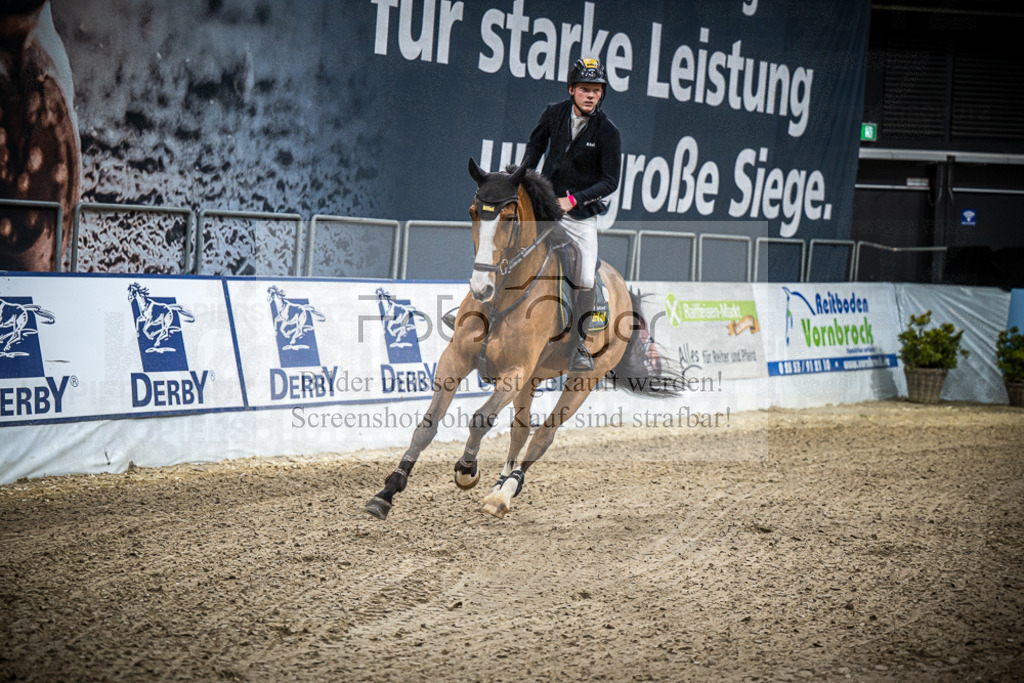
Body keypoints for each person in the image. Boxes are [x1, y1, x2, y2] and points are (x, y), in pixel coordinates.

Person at [519, 57, 622, 372]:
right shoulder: (554, 113)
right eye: (585, 89)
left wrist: (574, 200)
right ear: (572, 90)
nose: (591, 95)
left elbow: (610, 181)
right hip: (545, 205)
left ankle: (578, 346)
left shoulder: (608, 131)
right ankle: (480, 311)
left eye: (597, 90)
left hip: (579, 216)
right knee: (507, 244)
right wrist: (521, 178)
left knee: (585, 276)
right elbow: (535, 148)